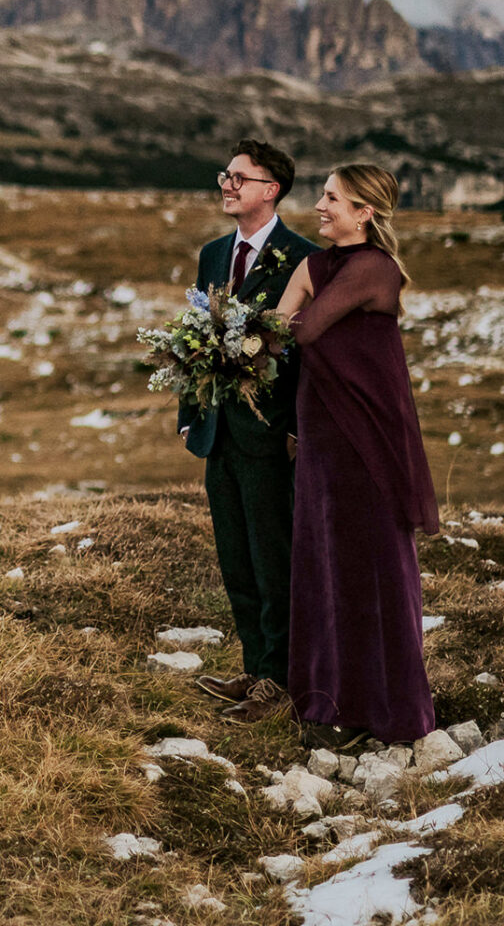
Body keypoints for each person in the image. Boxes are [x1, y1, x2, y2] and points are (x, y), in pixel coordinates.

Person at [277, 163, 437, 748]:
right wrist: (283, 317)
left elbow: (305, 328)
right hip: (320, 436)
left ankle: (388, 707)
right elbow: (277, 330)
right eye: (321, 195)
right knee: (325, 564)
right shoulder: (315, 265)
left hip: (366, 440)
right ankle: (330, 699)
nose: (319, 206)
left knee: (371, 569)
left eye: (332, 198)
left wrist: (290, 312)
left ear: (364, 213)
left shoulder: (375, 267)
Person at [179, 139, 318, 723]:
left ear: (271, 190)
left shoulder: (303, 257)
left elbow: (312, 356)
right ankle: (255, 667)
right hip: (219, 436)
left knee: (273, 558)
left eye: (239, 177)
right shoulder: (213, 254)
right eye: (224, 176)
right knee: (235, 556)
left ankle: (282, 682)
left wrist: (302, 432)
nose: (227, 186)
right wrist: (190, 414)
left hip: (271, 438)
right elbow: (193, 336)